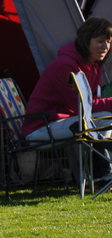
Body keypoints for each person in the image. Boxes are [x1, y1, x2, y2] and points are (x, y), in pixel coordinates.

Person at [22, 17, 112, 181]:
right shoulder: (65, 66)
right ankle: (103, 175)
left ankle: (102, 175)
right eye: (100, 41)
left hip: (67, 121)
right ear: (86, 41)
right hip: (42, 126)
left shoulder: (93, 65)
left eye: (108, 41)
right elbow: (83, 106)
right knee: (103, 121)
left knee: (103, 120)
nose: (105, 47)